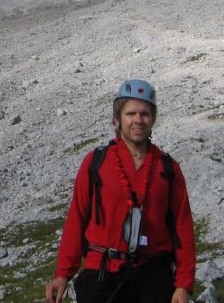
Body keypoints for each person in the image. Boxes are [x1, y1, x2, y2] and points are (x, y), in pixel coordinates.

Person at [45, 79, 196, 303]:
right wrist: (63, 274)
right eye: (130, 113)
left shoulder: (168, 168)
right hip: (102, 273)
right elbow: (77, 217)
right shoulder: (95, 161)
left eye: (144, 114)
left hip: (154, 275)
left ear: (153, 119)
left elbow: (183, 227)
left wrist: (183, 284)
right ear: (117, 119)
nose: (138, 120)